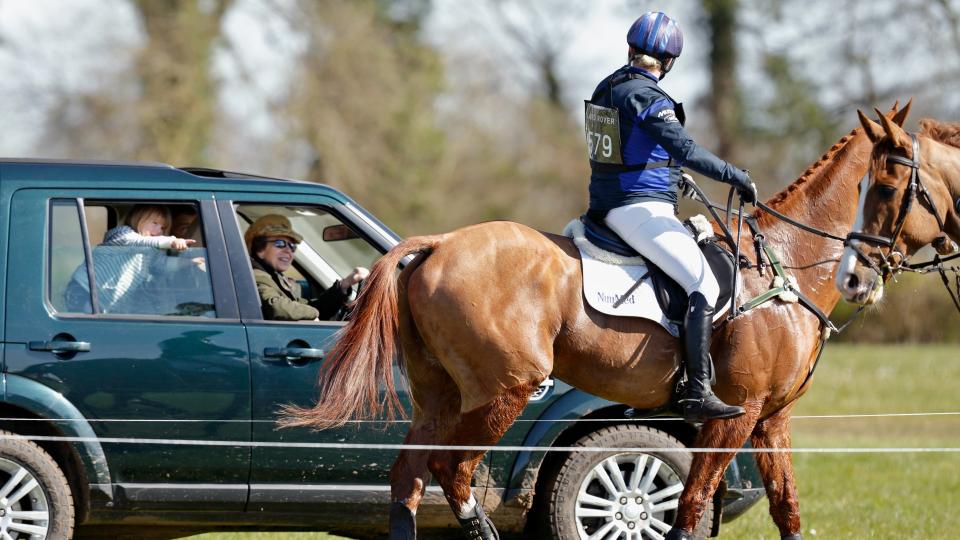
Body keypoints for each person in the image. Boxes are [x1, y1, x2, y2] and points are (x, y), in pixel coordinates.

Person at [585, 12, 756, 422]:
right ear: (669, 61)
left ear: (631, 49)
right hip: (636, 208)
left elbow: (631, 151)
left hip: (609, 203)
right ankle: (697, 390)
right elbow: (686, 149)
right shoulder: (646, 96)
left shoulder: (607, 87)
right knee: (702, 281)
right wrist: (735, 175)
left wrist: (669, 176)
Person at [66, 204, 201, 313]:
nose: (159, 230)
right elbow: (138, 242)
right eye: (154, 223)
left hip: (106, 301)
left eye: (163, 227)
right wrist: (171, 241)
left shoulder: (150, 252)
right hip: (85, 290)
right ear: (138, 219)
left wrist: (189, 262)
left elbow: (162, 265)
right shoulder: (122, 234)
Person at [245, 214, 369, 321]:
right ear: (260, 249)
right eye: (280, 243)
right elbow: (276, 307)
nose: (288, 250)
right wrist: (312, 315)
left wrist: (344, 285)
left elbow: (310, 306)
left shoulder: (274, 277)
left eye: (292, 246)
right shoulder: (255, 276)